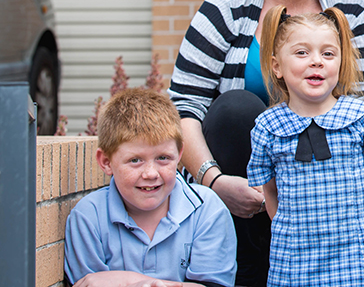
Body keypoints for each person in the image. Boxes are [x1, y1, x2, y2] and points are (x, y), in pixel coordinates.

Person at [168, 0, 364, 286]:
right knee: (238, 109)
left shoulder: (352, 11)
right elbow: (184, 106)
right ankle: (244, 272)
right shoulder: (223, 11)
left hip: (328, 183)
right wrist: (214, 180)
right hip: (238, 184)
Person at [246, 6, 364, 287]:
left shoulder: (361, 118)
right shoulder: (268, 128)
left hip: (358, 260)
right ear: (276, 65)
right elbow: (270, 192)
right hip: (295, 264)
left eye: (328, 53)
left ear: (340, 63)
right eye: (302, 53)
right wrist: (290, 233)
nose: (317, 62)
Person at [64, 88, 237, 287]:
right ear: (106, 162)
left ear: (179, 154)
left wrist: (130, 281)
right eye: (135, 160)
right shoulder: (88, 217)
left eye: (163, 158)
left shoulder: (206, 208)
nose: (151, 173)